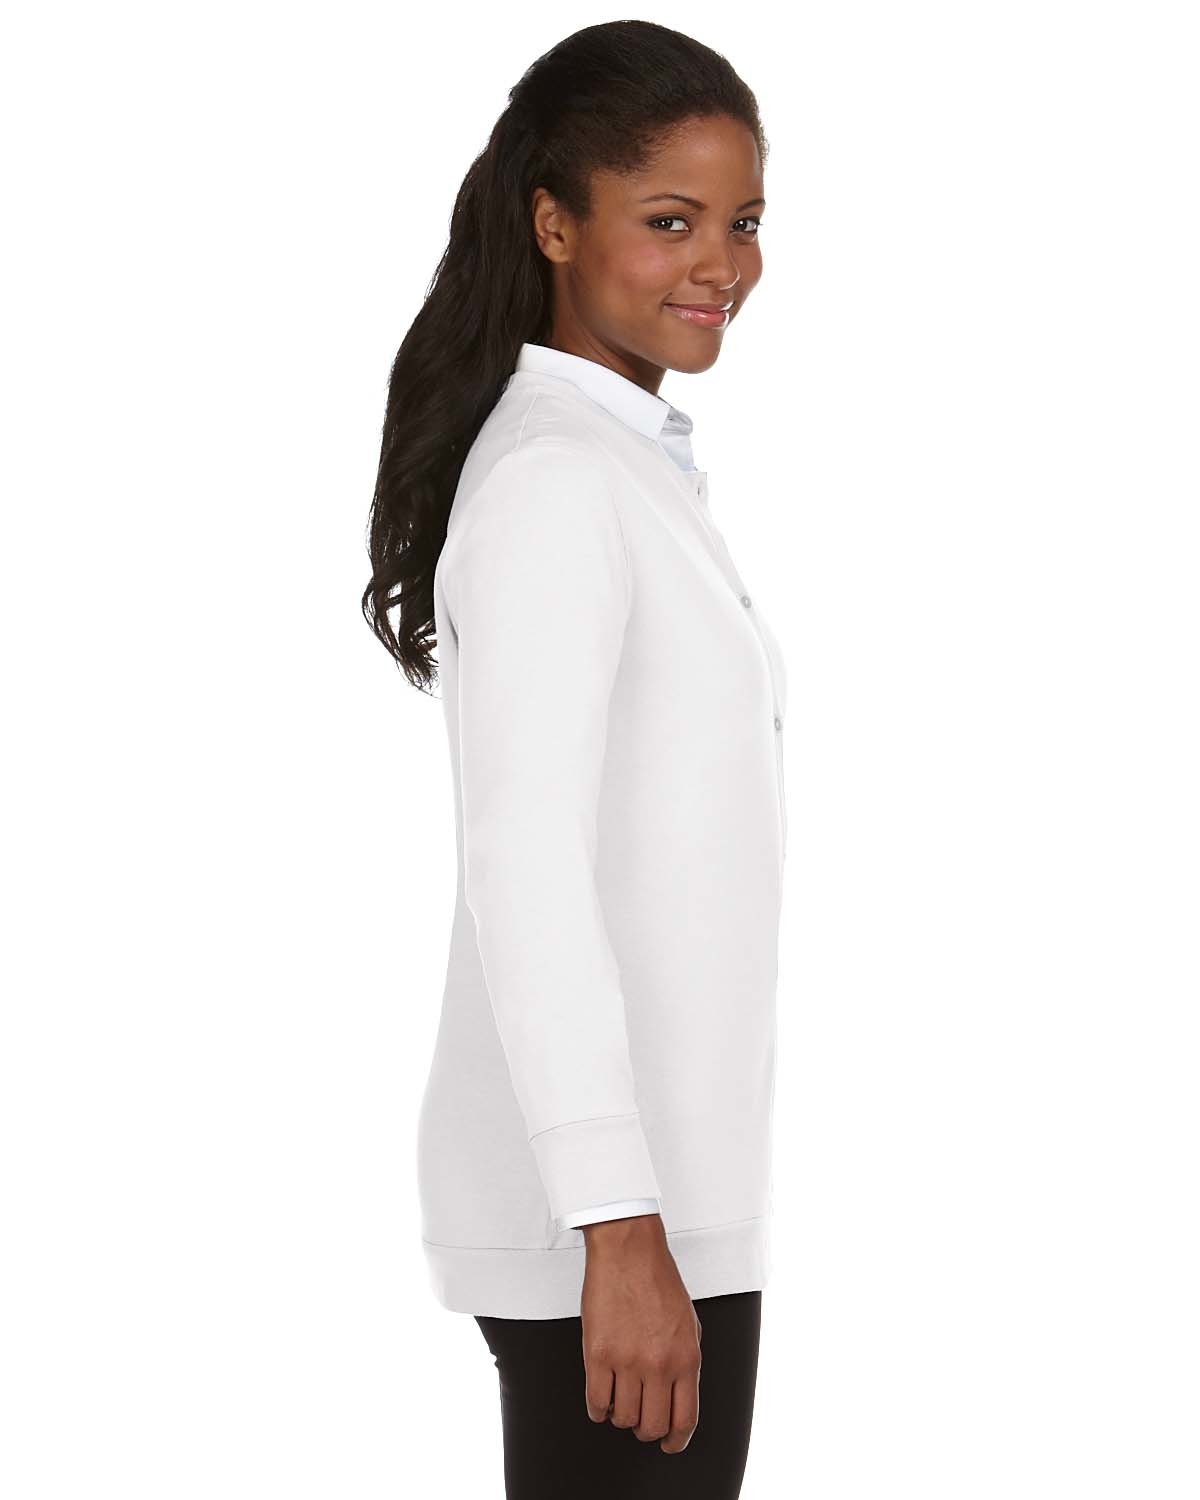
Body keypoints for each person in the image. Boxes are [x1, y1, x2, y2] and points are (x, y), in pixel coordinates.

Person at [363, 21, 786, 1498]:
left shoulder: (620, 466)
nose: (719, 265)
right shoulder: (556, 480)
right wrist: (617, 1221)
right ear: (554, 224)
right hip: (610, 1225)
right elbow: (525, 866)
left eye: (743, 222)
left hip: (659, 1207)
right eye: (670, 221)